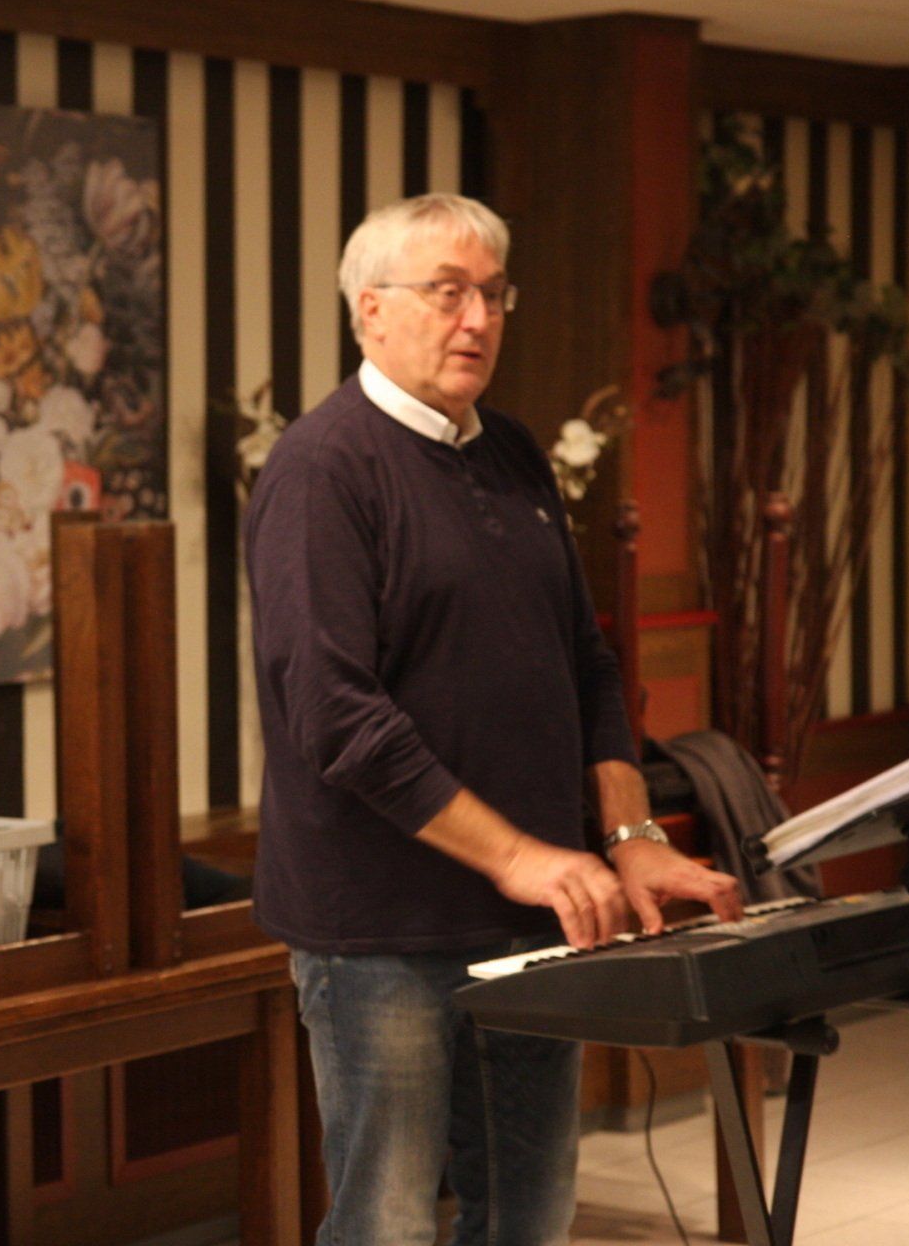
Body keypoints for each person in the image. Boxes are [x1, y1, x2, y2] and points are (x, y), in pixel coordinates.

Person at [245, 194, 744, 1245]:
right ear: (370, 310)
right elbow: (336, 716)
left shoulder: (513, 452)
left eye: (492, 294)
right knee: (387, 1221)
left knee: (532, 1213)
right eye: (447, 293)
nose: (477, 319)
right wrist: (520, 855)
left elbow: (585, 664)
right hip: (383, 928)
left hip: (537, 919)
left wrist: (631, 833)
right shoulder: (320, 468)